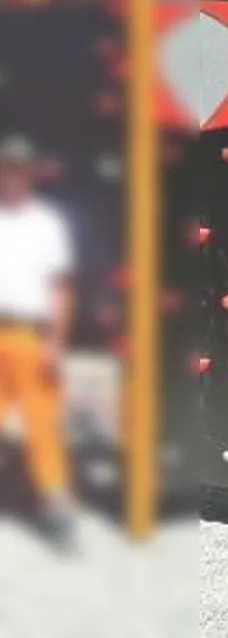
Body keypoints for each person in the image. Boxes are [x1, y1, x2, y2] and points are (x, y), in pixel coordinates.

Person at [0, 135, 77, 548]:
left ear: (28, 176)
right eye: (5, 169)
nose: (10, 178)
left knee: (42, 423)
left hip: (30, 335)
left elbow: (60, 287)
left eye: (17, 170)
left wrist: (55, 341)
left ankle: (54, 506)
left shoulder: (47, 224)